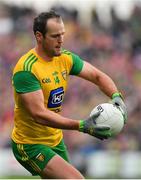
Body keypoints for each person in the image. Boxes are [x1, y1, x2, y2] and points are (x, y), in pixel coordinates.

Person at [11, 11, 127, 179]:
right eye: (55, 36)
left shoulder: (65, 58)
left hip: (55, 141)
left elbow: (97, 76)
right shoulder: (27, 69)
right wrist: (81, 125)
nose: (61, 40)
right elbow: (39, 114)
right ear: (39, 36)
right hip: (29, 145)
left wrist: (116, 96)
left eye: (62, 34)